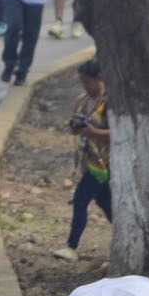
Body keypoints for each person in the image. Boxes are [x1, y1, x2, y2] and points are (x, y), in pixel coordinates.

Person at [56, 59, 112, 262]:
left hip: (103, 164)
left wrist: (93, 131)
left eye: (88, 82)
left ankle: (71, 247)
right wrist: (75, 127)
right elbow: (74, 125)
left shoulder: (108, 103)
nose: (86, 87)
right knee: (106, 202)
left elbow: (117, 132)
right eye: (82, 83)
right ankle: (124, 235)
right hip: (87, 162)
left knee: (80, 199)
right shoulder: (81, 100)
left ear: (99, 79)